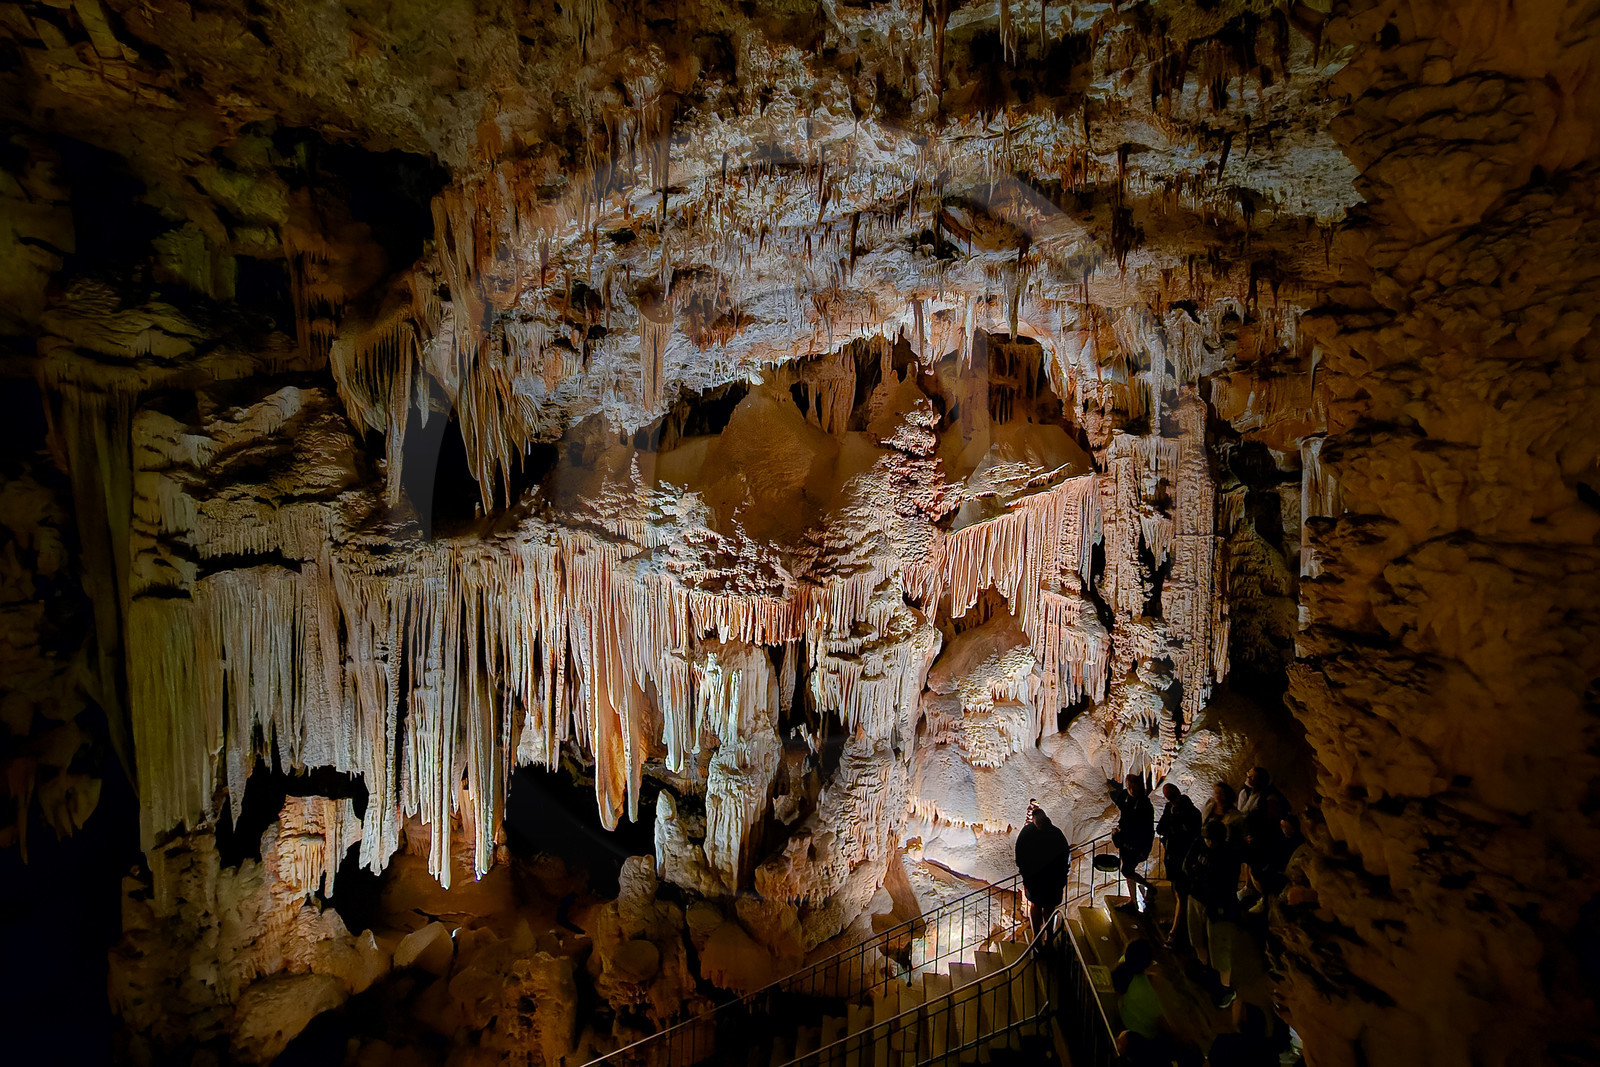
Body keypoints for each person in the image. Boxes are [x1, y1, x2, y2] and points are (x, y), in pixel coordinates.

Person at [1183, 818, 1241, 1008]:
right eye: (1207, 838)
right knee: (1197, 938)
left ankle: (1226, 988)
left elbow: (1225, 883)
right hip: (1198, 898)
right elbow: (1188, 865)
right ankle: (1204, 968)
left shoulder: (1229, 855)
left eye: (1211, 839)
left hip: (1218, 906)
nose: (1208, 842)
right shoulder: (1200, 845)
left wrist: (1200, 875)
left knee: (1220, 948)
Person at [1015, 800, 1070, 932]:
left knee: (1038, 907)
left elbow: (1020, 853)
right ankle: (1046, 935)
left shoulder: (1028, 832)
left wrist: (1024, 872)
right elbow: (1065, 855)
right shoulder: (1056, 833)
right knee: (1046, 908)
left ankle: (1038, 936)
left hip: (1038, 879)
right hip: (1050, 880)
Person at [1156, 783, 1202, 942]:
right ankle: (1178, 921)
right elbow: (1160, 828)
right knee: (1175, 889)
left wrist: (1173, 825)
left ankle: (1175, 932)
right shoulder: (1170, 809)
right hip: (1172, 855)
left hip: (1184, 857)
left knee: (1181, 892)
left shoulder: (1192, 813)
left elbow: (1190, 835)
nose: (1169, 799)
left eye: (1170, 795)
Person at [1108, 773, 1156, 914]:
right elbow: (1121, 804)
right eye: (1129, 787)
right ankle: (1133, 901)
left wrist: (1142, 846)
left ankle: (1148, 887)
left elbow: (1143, 828)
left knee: (1126, 871)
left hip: (1136, 844)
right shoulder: (1127, 798)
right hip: (1126, 842)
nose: (1131, 790)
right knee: (1128, 871)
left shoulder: (1145, 805)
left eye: (1133, 787)